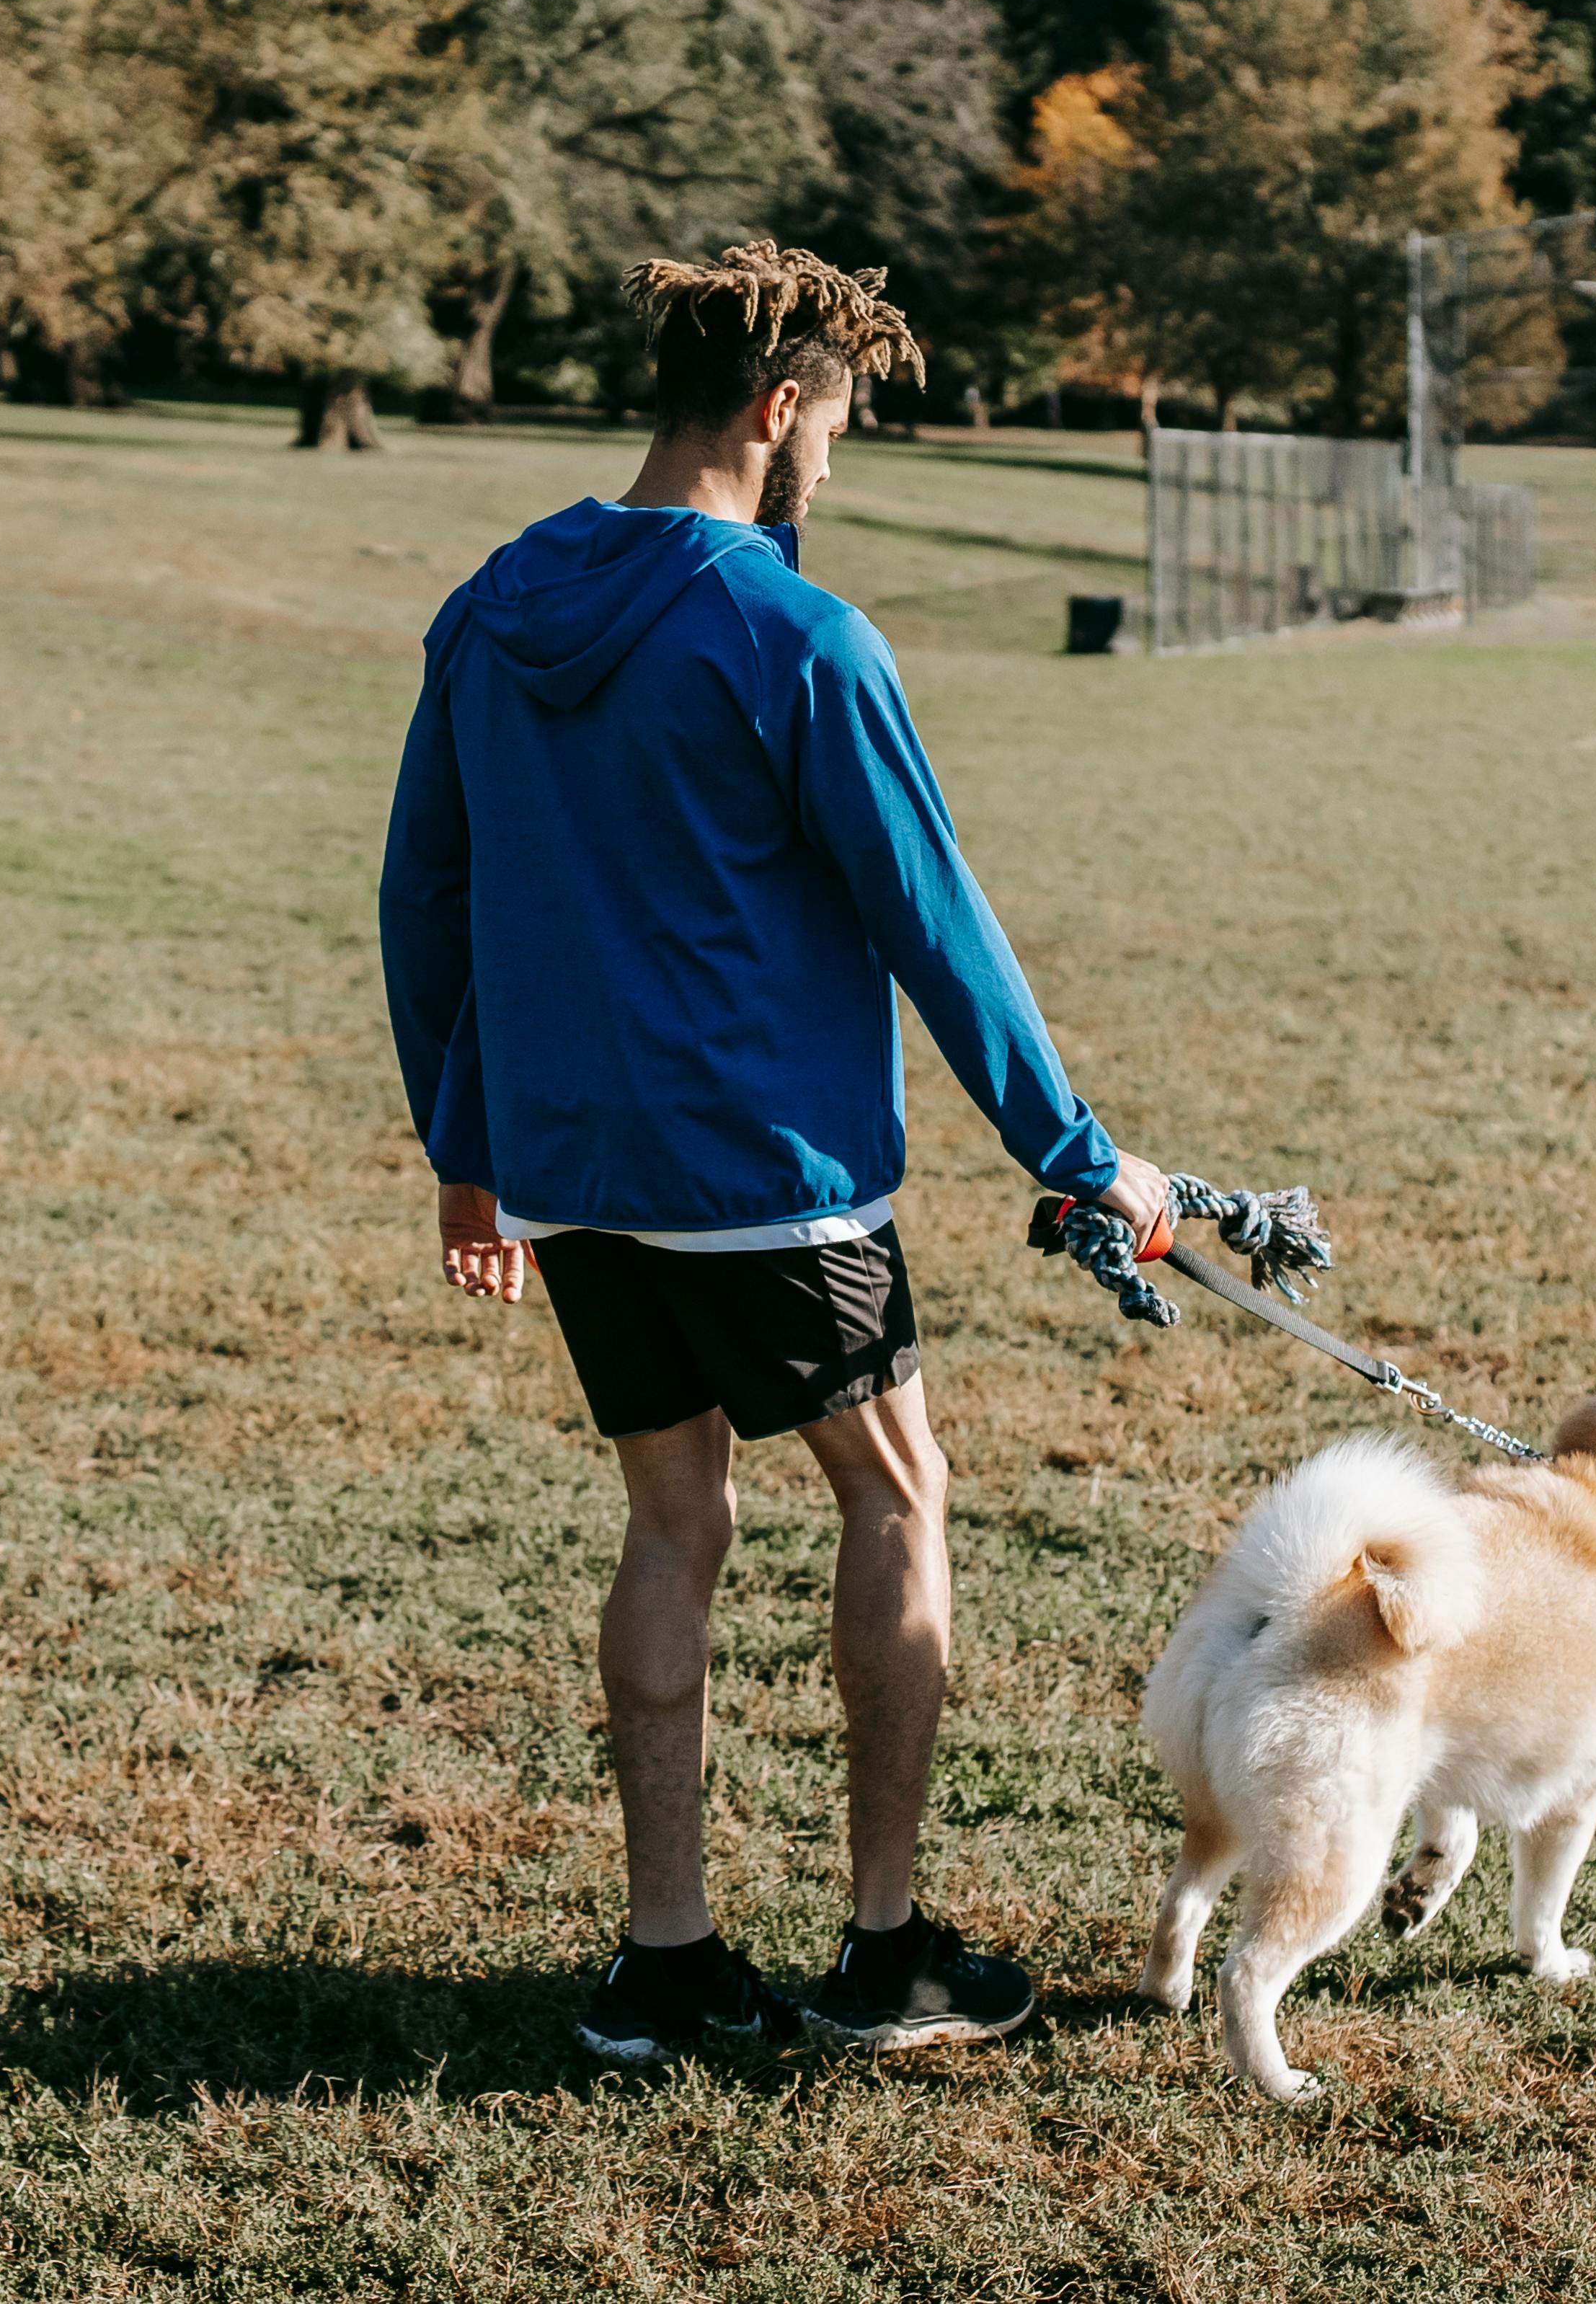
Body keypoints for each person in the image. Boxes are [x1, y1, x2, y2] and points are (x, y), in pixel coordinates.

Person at [378, 240, 1169, 2066]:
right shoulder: (792, 633)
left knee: (675, 1519)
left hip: (571, 1168)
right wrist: (1075, 1152)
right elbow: (934, 918)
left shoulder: (493, 601)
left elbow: (425, 890)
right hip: (767, 1176)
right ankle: (882, 1954)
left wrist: (466, 1148)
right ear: (777, 407)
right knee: (893, 1497)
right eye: (839, 426)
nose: (836, 463)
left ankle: (667, 1966)